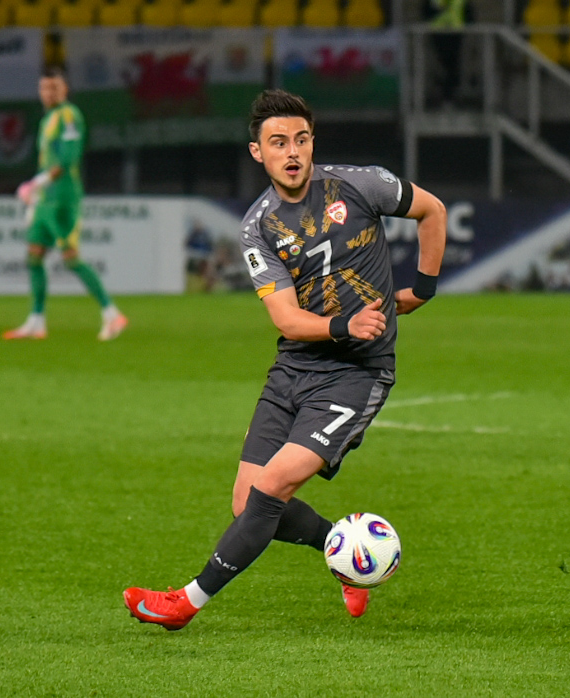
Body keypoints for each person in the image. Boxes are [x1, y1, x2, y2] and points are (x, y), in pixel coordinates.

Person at [123, 89, 447, 629]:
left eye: (300, 139)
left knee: (271, 489)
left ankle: (185, 603)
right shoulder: (259, 227)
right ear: (258, 152)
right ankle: (342, 552)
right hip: (294, 367)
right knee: (246, 503)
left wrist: (425, 288)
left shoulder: (361, 185)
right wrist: (344, 323)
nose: (292, 152)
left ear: (312, 142)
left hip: (357, 373)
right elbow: (287, 320)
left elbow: (432, 210)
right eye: (278, 143)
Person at [4, 66, 127, 341]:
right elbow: (47, 161)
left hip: (63, 199)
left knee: (71, 259)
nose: (48, 93)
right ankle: (36, 321)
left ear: (65, 89)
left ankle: (112, 315)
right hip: (45, 200)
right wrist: (37, 194)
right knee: (34, 255)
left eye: (54, 88)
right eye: (44, 88)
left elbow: (68, 159)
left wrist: (38, 182)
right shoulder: (47, 119)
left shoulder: (69, 115)